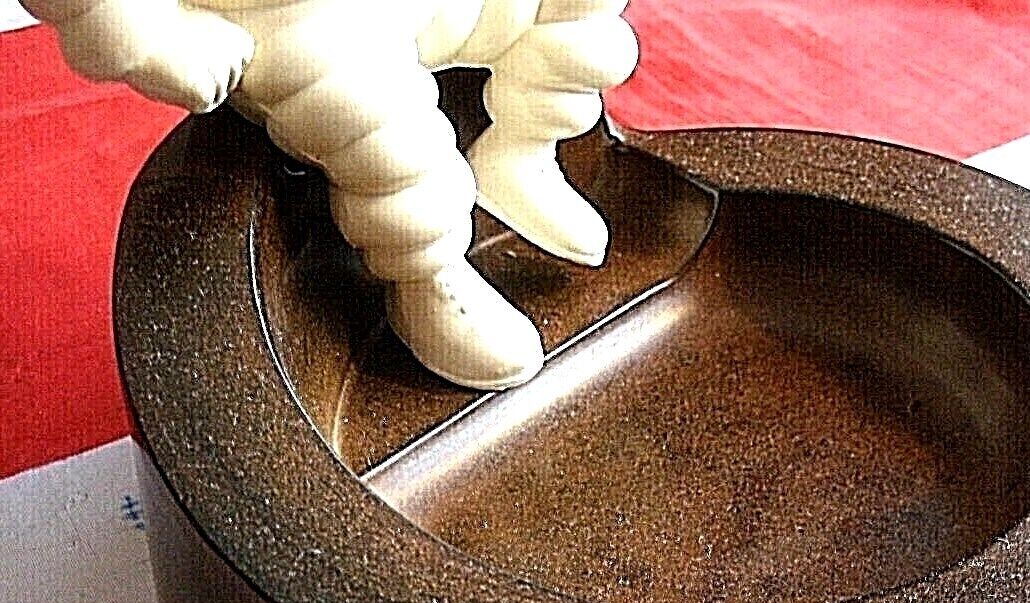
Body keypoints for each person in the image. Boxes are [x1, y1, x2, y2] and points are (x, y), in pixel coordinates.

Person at [25, 0, 638, 389]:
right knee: (381, 130)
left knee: (573, 7)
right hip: (287, 17)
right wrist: (155, 40)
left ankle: (524, 149)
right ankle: (429, 278)